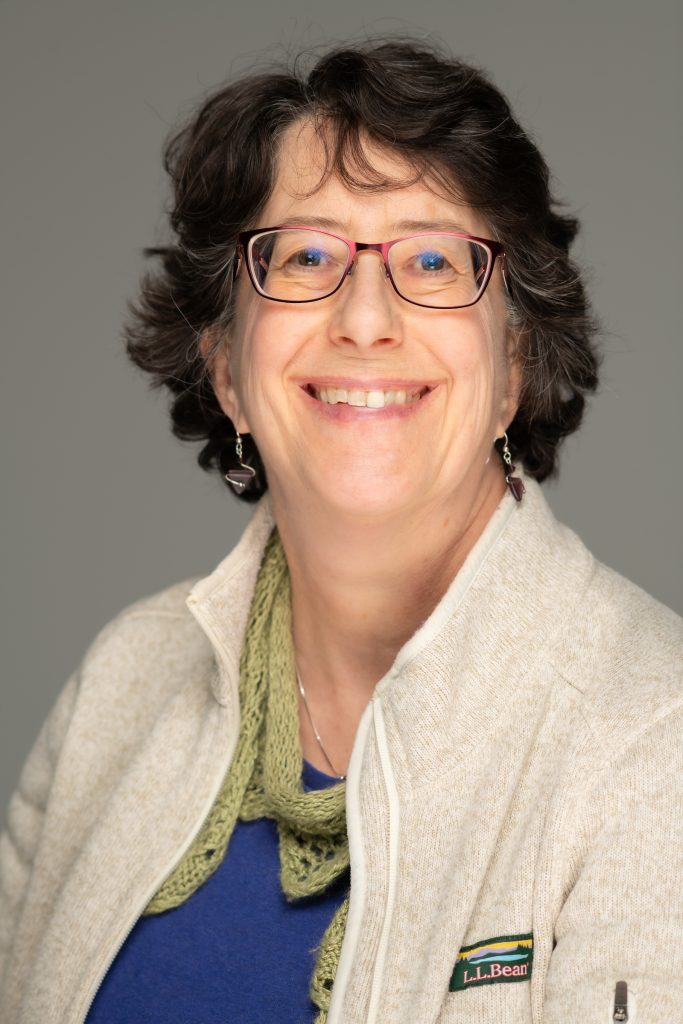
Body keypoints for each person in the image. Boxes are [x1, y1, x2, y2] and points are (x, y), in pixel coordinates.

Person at [1, 38, 681, 1024]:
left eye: (433, 259)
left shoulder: (655, 741)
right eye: (306, 256)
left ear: (515, 369)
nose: (365, 317)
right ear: (227, 368)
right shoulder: (121, 682)